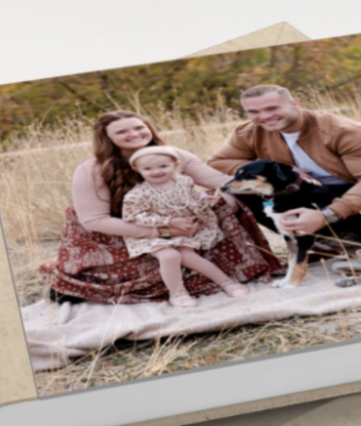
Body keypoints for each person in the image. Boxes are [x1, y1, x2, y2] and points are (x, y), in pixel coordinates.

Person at [39, 111, 282, 304]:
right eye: (122, 131)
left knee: (228, 200)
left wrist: (281, 184)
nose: (134, 134)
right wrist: (163, 231)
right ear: (107, 138)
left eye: (138, 127)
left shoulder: (172, 155)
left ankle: (228, 276)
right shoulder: (92, 169)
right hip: (124, 229)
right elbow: (93, 220)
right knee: (168, 256)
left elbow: (220, 182)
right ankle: (163, 288)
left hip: (181, 224)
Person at [209, 85, 361, 282]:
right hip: (310, 192)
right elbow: (218, 162)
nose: (264, 116)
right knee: (239, 193)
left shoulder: (344, 131)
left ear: (295, 104)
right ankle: (327, 245)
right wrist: (279, 167)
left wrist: (326, 215)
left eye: (272, 108)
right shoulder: (249, 132)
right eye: (253, 111)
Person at [123, 146, 250, 308]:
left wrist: (205, 198)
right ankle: (177, 293)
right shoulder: (137, 193)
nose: (156, 172)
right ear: (137, 170)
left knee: (188, 256)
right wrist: (169, 221)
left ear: (176, 165)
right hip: (152, 234)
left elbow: (192, 197)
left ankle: (226, 282)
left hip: (183, 230)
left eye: (163, 166)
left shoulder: (184, 182)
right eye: (148, 169)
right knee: (170, 256)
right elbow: (135, 217)